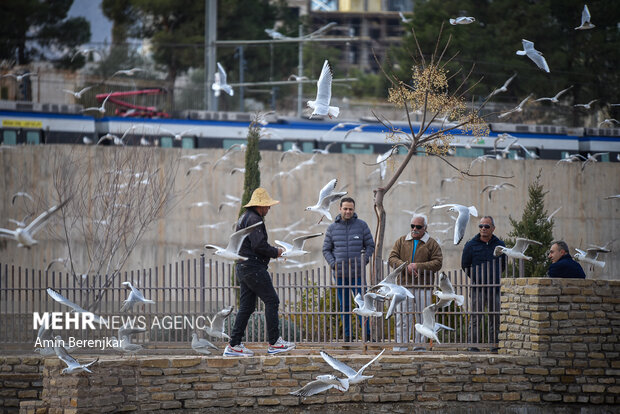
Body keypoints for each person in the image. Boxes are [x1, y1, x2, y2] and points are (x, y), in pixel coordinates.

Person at [223, 188, 295, 357]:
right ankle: (275, 343)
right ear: (259, 206)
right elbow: (258, 245)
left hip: (243, 267)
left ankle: (234, 345)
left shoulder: (244, 217)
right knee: (272, 300)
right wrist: (276, 252)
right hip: (253, 267)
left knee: (247, 307)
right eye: (267, 206)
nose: (268, 209)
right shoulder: (255, 219)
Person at [322, 197, 375, 341]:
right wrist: (334, 264)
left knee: (362, 305)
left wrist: (364, 260)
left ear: (354, 210)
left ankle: (367, 334)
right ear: (340, 209)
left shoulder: (362, 226)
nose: (348, 211)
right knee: (344, 305)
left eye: (350, 209)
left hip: (358, 274)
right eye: (345, 208)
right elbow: (326, 249)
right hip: (340, 274)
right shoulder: (332, 228)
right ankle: (347, 336)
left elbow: (370, 245)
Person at [388, 213, 442, 351]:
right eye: (412, 226)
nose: (414, 229)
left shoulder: (432, 243)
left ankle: (420, 346)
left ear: (425, 227)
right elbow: (392, 258)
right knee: (402, 317)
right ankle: (401, 345)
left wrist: (418, 266)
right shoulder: (401, 241)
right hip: (404, 287)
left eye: (418, 226)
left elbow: (437, 263)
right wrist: (406, 266)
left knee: (422, 319)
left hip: (424, 287)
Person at [461, 216, 506, 352]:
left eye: (486, 226)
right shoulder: (470, 245)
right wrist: (477, 277)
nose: (483, 229)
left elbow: (503, 264)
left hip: (495, 287)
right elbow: (465, 265)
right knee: (475, 317)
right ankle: (472, 345)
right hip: (478, 287)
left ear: (493, 228)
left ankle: (495, 345)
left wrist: (494, 276)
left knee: (495, 316)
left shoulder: (500, 245)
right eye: (481, 226)